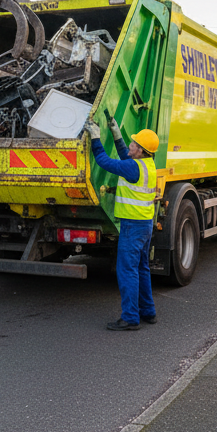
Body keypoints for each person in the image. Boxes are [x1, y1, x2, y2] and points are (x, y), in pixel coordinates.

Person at [86, 114, 161, 331]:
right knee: (142, 268)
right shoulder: (146, 165)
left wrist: (95, 137)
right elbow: (123, 155)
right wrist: (115, 133)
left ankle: (130, 317)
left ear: (140, 150)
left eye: (133, 143)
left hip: (132, 226)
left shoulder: (133, 168)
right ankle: (148, 312)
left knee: (127, 271)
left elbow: (103, 161)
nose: (130, 144)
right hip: (144, 224)